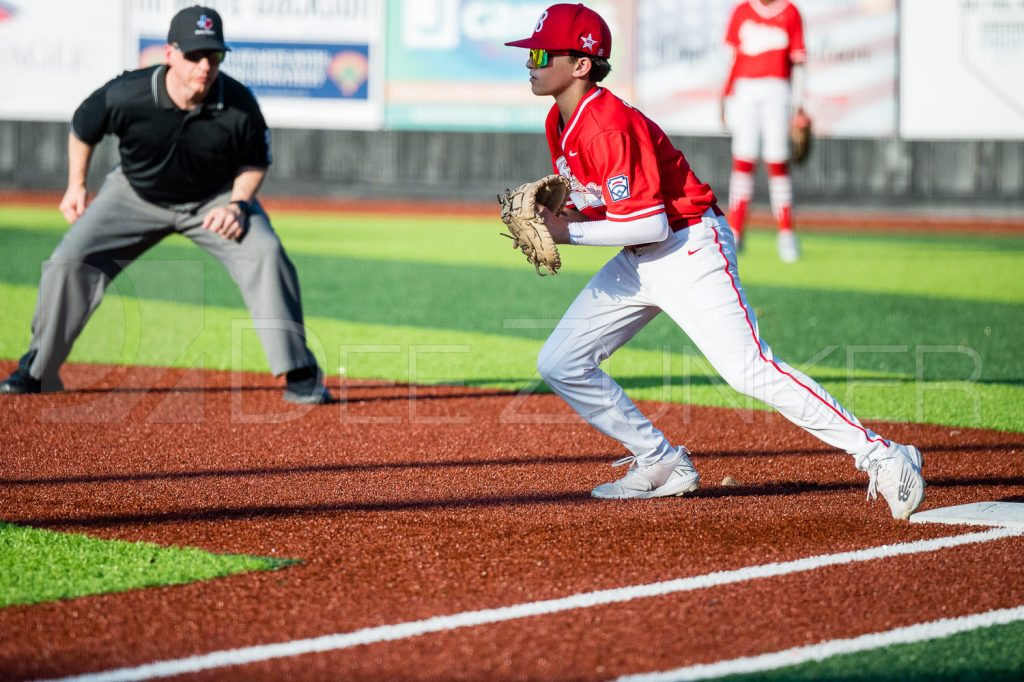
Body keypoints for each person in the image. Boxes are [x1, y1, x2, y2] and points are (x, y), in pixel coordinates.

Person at [504, 3, 924, 519]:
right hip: (641, 258)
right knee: (561, 361)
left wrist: (566, 231)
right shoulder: (559, 121)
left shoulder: (608, 124)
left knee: (748, 369)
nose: (532, 63)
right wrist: (565, 213)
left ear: (582, 64)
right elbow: (605, 205)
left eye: (543, 53)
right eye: (531, 54)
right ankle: (659, 462)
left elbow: (651, 223)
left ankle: (883, 455)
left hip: (689, 247)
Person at [0, 6, 332, 404]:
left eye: (214, 56)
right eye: (194, 55)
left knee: (266, 253)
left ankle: (299, 370)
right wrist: (76, 185)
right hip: (134, 195)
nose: (204, 66)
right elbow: (83, 126)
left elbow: (255, 162)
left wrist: (239, 204)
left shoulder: (239, 103)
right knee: (71, 260)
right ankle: (37, 369)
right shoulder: (128, 93)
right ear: (170, 54)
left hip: (214, 200)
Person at [720, 0, 807, 262]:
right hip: (745, 89)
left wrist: (800, 106)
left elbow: (799, 63)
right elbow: (731, 59)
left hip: (778, 89)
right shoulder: (742, 10)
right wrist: (725, 97)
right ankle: (735, 231)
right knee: (743, 160)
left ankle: (786, 234)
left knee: (777, 160)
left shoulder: (789, 11)